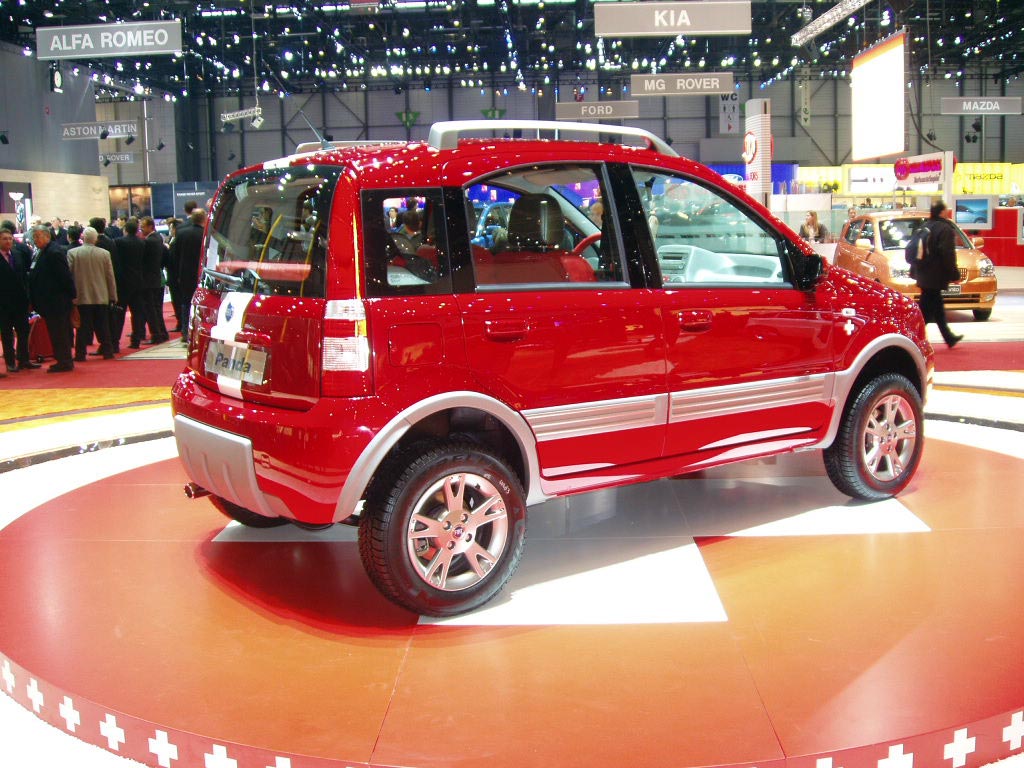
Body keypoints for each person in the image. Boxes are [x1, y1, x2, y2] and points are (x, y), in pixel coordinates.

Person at [27, 224, 76, 373]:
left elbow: (64, 277)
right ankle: (62, 359)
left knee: (59, 333)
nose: (35, 240)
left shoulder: (54, 252)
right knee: (56, 333)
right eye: (34, 237)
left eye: (37, 237)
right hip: (48, 302)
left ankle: (65, 361)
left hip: (57, 301)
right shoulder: (42, 252)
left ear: (46, 236)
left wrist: (72, 297)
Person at [916, 200, 963, 349]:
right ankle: (913, 333)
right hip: (935, 276)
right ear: (942, 212)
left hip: (924, 273)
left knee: (934, 307)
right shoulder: (945, 229)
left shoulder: (925, 226)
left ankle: (948, 337)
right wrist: (955, 275)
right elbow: (948, 254)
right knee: (927, 310)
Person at [68, 227, 118, 361]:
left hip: (82, 295)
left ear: (83, 237)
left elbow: (69, 276)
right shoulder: (104, 254)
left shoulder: (72, 253)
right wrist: (113, 296)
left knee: (82, 327)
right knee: (103, 325)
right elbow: (110, 277)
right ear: (95, 239)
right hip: (101, 295)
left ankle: (80, 354)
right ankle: (108, 351)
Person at [0, 226, 41, 372]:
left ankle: (24, 359)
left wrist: (28, 298)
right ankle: (10, 362)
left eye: (10, 239)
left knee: (23, 331)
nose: (8, 241)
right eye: (5, 239)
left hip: (20, 301)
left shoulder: (17, 254)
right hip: (3, 303)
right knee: (6, 334)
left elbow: (25, 277)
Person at [113, 218, 147, 349]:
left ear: (125, 230)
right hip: (138, 281)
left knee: (119, 313)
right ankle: (136, 340)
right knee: (137, 313)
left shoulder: (118, 242)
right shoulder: (142, 243)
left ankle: (115, 341)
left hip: (122, 282)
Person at [175, 208, 207, 342]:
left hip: (185, 273)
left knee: (186, 302)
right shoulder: (205, 234)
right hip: (201, 273)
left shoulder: (181, 233)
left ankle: (184, 331)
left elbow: (176, 255)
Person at [139, 216, 169, 344]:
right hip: (156, 277)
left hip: (149, 279)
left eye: (143, 226)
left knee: (151, 309)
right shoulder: (158, 238)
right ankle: (162, 333)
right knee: (156, 308)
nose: (141, 228)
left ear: (150, 226)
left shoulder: (149, 241)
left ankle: (156, 335)